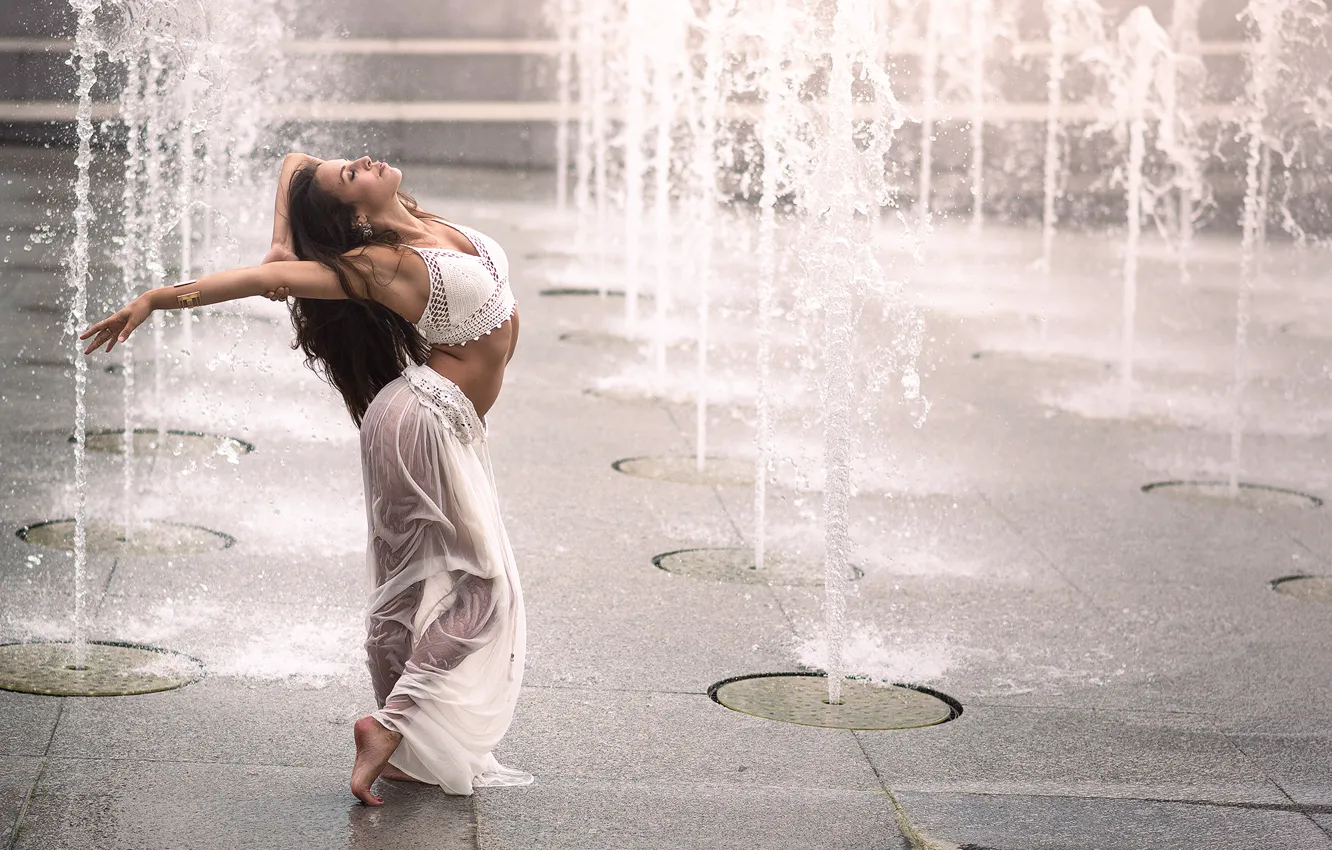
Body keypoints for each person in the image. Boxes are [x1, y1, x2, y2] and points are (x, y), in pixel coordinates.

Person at [80, 153, 530, 807]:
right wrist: (154, 299)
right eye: (350, 175)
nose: (358, 160)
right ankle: (389, 726)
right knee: (478, 589)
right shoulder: (382, 265)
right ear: (353, 213)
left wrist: (280, 233)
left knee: (420, 587)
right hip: (420, 424)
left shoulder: (418, 224)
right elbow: (255, 281)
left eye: (350, 163)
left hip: (441, 423)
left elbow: (297, 160)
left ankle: (398, 741)